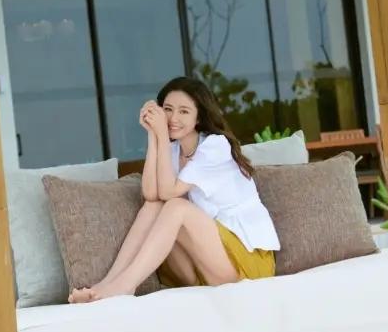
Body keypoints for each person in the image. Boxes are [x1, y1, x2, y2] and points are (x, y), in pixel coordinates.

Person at [69, 76, 280, 303]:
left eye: (184, 111)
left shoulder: (215, 146)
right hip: (204, 267)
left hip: (246, 264)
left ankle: (126, 286)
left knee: (177, 206)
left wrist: (161, 134)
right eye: (168, 109)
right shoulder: (173, 149)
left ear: (199, 117)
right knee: (153, 206)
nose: (173, 118)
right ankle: (106, 285)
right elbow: (151, 195)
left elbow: (169, 193)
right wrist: (153, 136)